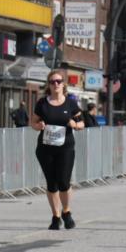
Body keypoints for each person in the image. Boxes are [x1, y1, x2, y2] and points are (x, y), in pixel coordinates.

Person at [31, 70, 85, 230]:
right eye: (53, 82)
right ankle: (56, 216)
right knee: (51, 183)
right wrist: (38, 126)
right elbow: (33, 122)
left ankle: (66, 212)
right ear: (48, 84)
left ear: (63, 84)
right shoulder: (42, 103)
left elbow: (82, 123)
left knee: (63, 181)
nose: (56, 84)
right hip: (45, 148)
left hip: (65, 148)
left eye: (59, 81)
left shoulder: (70, 103)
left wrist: (74, 124)